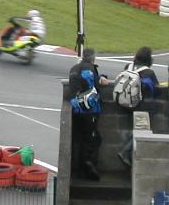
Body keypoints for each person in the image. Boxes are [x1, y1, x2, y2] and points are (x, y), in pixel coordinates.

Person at [68, 49, 108, 181]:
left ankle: (78, 169)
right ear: (92, 57)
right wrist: (102, 78)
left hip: (76, 108)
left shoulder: (74, 68)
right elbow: (95, 86)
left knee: (78, 139)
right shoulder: (91, 69)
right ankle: (88, 166)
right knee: (92, 139)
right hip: (90, 110)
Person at [117, 47, 160, 167]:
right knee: (142, 131)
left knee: (135, 130)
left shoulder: (128, 67)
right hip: (143, 106)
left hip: (127, 104)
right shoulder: (148, 72)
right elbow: (156, 89)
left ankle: (128, 154)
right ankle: (125, 151)